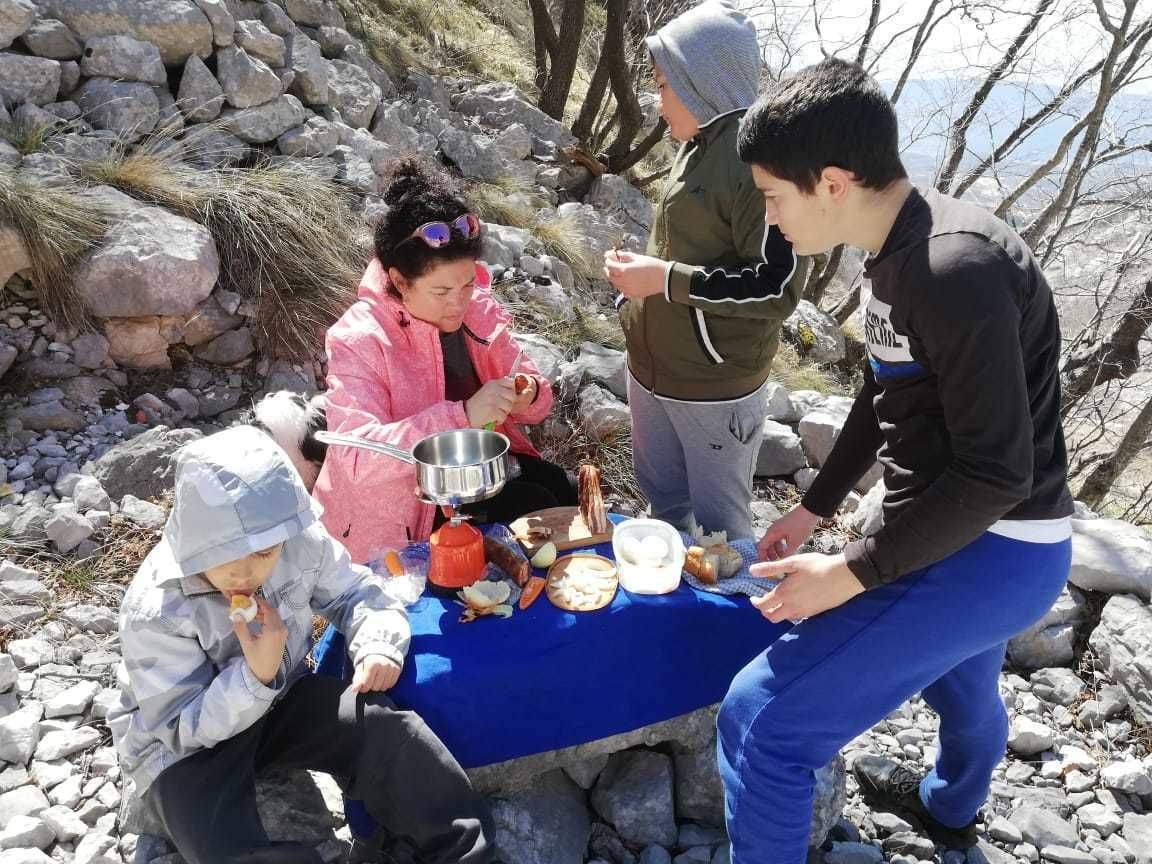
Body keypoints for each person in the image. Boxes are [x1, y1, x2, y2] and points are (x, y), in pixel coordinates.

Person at [715, 58, 1075, 863]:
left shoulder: (953, 268)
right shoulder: (900, 246)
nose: (769, 218)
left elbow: (996, 475)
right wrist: (815, 507)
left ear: (833, 181)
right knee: (961, 678)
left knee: (761, 723)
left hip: (996, 548)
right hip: (975, 537)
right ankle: (953, 806)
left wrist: (851, 571)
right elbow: (885, 389)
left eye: (774, 195)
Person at [107, 425, 494, 864]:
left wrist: (377, 645)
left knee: (386, 729)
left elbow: (357, 593)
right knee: (223, 847)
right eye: (227, 557)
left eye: (265, 554)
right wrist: (257, 674)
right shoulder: (157, 607)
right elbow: (178, 727)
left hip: (280, 700)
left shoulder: (294, 540)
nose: (248, 574)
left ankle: (465, 851)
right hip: (183, 749)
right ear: (195, 545)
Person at [603, 1, 806, 541]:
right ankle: (674, 616)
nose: (656, 98)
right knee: (665, 510)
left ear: (703, 86)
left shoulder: (759, 161)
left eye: (666, 84)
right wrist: (635, 288)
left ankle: (737, 618)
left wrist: (664, 279)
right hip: (652, 371)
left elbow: (777, 287)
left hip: (714, 388)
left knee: (725, 531)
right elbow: (687, 247)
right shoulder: (696, 144)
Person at [313, 159, 575, 564]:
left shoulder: (477, 309)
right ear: (400, 281)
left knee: (558, 486)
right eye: (441, 291)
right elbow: (356, 459)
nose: (459, 302)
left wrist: (528, 391)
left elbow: (538, 399)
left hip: (477, 472)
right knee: (532, 506)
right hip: (405, 506)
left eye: (468, 284)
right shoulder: (359, 338)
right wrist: (463, 416)